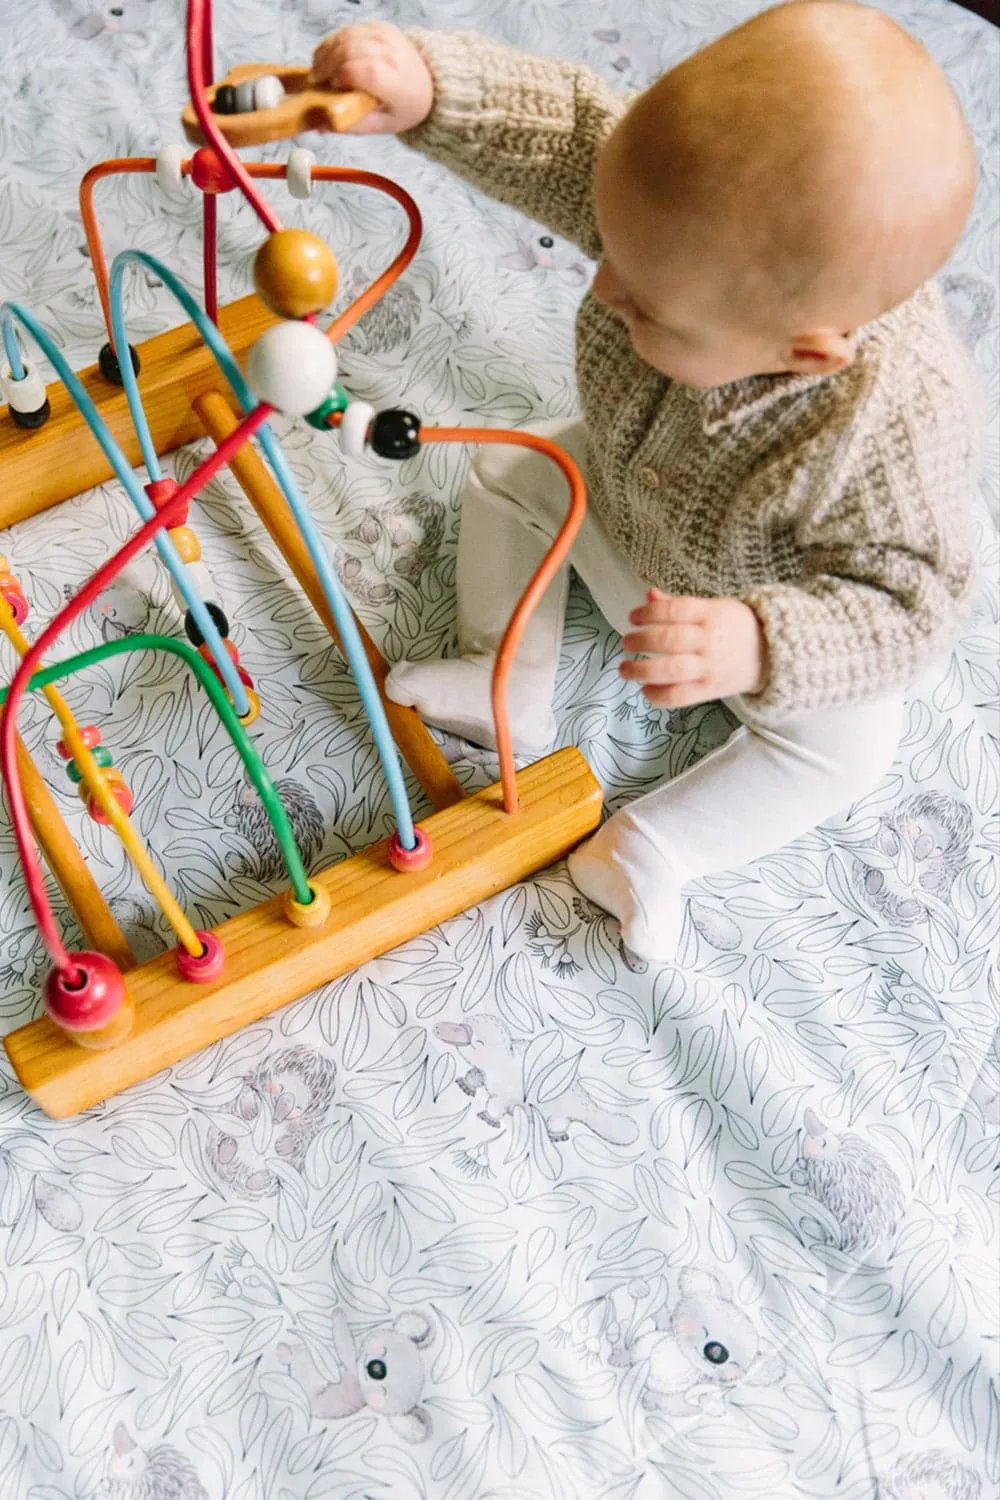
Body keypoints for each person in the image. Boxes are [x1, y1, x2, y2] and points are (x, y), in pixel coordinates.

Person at [310, 2, 982, 962]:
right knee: (510, 467)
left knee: (853, 748)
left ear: (804, 352)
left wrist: (760, 642)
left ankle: (654, 846)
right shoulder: (679, 202)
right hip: (620, 506)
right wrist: (429, 90)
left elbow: (912, 607)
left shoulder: (891, 428)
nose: (600, 286)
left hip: (763, 616)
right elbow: (564, 135)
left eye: (647, 302)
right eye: (611, 251)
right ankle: (508, 677)